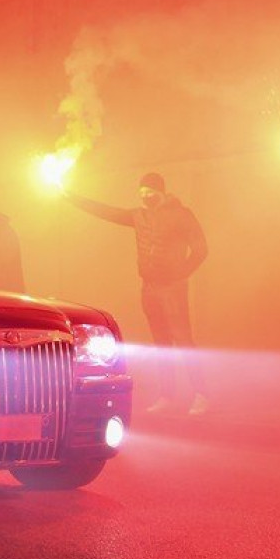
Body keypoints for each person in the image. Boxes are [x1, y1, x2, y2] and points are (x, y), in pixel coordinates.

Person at [64, 172, 209, 416]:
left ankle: (201, 393)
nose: (146, 197)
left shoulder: (181, 215)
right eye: (142, 193)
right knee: (161, 342)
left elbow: (201, 249)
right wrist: (72, 198)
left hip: (173, 289)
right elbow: (107, 212)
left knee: (183, 340)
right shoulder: (138, 215)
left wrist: (180, 273)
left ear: (162, 193)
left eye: (150, 193)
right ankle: (167, 395)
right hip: (149, 287)